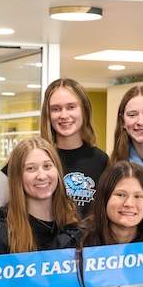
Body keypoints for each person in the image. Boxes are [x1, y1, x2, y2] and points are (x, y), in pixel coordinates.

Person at [0, 136, 80, 255]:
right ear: (17, 177)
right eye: (31, 168)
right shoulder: (3, 236)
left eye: (47, 166)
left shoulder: (73, 222)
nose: (41, 175)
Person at [40, 77, 108, 216]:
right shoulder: (36, 157)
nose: (64, 115)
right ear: (48, 114)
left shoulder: (101, 160)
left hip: (88, 237)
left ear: (84, 110)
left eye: (71, 107)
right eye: (56, 109)